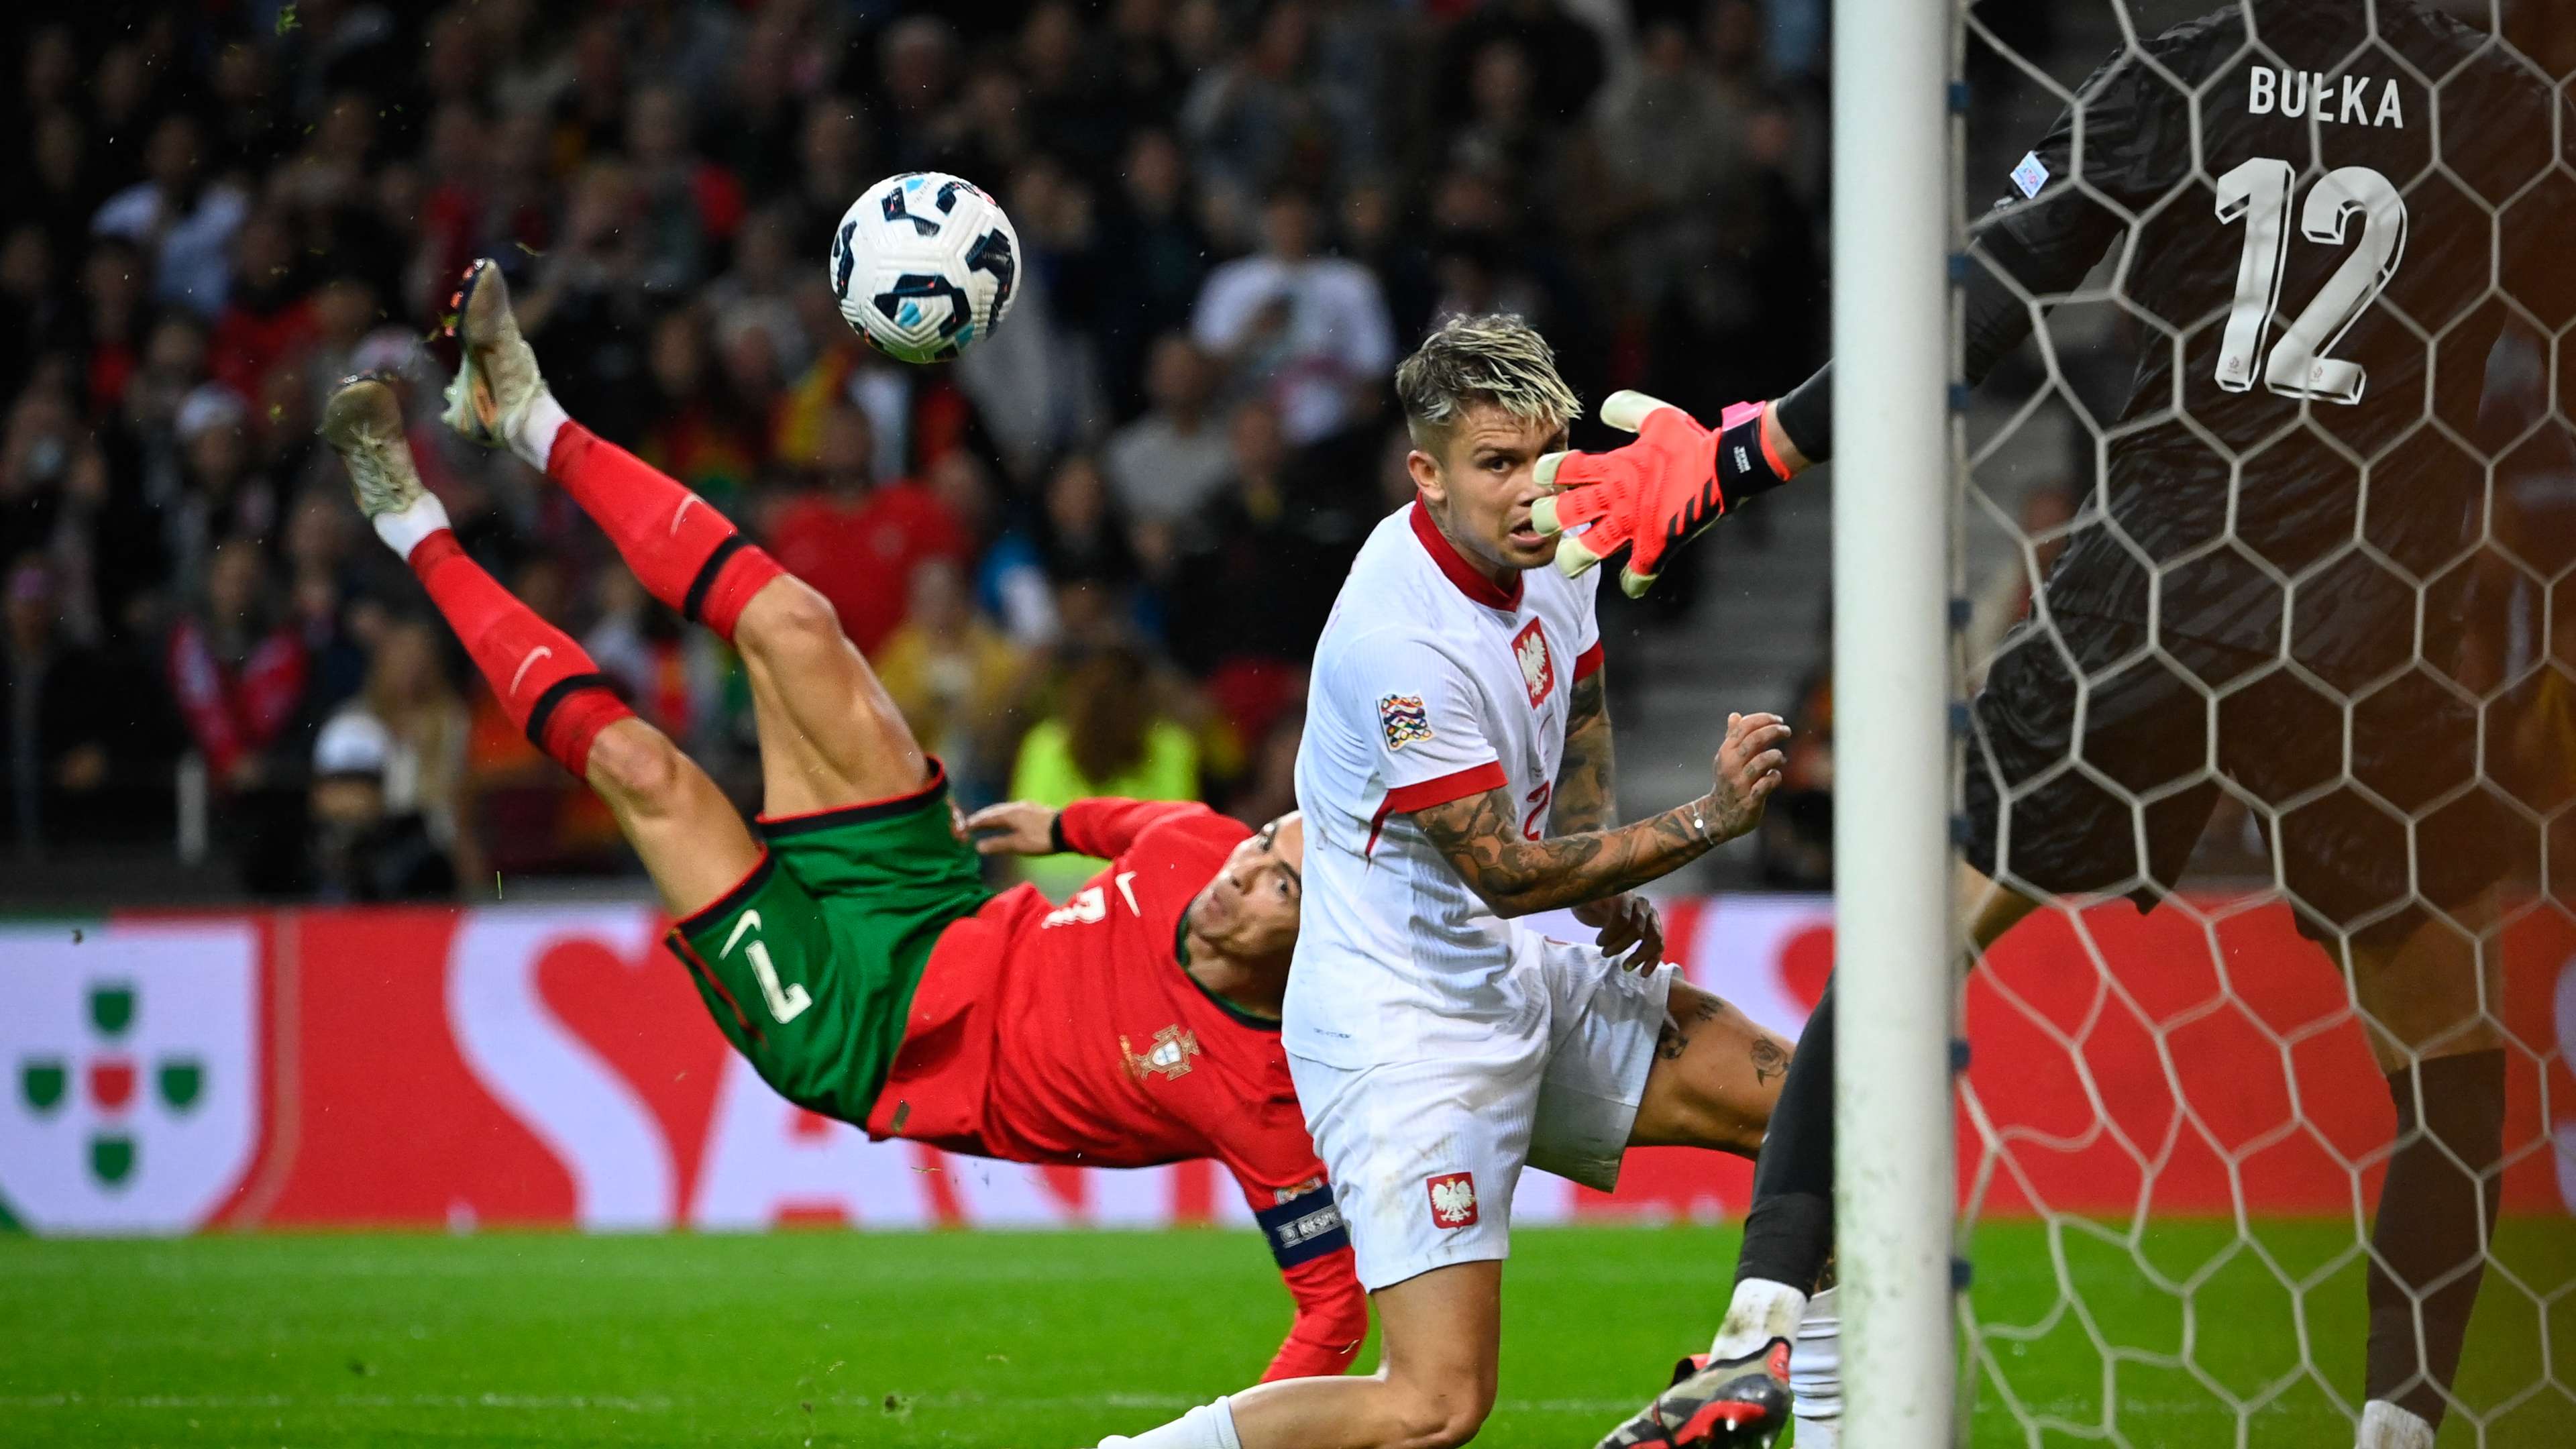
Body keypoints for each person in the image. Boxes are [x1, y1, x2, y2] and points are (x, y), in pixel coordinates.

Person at [1536, 5, 2576, 1445]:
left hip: (2144, 606)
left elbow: (1978, 294)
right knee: (2454, 1059)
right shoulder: (2506, 98)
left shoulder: (2184, 62)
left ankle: (1757, 1329)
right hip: (2365, 641)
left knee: (1910, 955)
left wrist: (1749, 450)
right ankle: (2396, 1427)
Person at [325, 258, 1386, 1381]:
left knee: (648, 771)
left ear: (1314, 943)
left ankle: (410, 524)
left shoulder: (1266, 1097)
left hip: (852, 1034)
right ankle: (526, 411)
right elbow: (1150, 824)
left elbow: (1334, 1316)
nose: (1244, 869)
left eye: (1278, 883)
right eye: (1266, 843)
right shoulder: (1204, 848)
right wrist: (1061, 824)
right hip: (927, 901)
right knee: (792, 621)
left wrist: (1227, 1436)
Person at [1100, 315, 1814, 1449]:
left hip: (1509, 974)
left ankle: (1763, 1406)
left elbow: (1576, 705)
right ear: (1424, 474)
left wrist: (1599, 879)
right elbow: (1501, 871)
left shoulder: (1561, 532)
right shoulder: (1398, 641)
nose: (1532, 491)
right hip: (1401, 1033)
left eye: (1545, 454)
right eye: (1495, 465)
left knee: (1821, 1131)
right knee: (1434, 1407)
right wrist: (1705, 821)